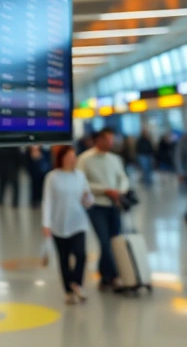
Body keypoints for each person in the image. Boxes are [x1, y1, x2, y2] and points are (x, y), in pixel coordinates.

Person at [78, 128, 129, 290]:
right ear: (98, 140)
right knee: (104, 241)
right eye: (107, 139)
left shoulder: (115, 159)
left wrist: (120, 191)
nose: (111, 143)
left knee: (114, 241)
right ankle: (113, 276)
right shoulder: (85, 159)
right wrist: (105, 190)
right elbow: (81, 183)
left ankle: (105, 275)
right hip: (96, 206)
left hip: (114, 204)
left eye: (112, 139)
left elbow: (123, 177)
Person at [42, 145, 94, 304]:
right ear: (62, 159)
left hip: (78, 222)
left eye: (74, 156)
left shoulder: (80, 176)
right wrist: (46, 223)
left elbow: (89, 200)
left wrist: (88, 198)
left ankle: (77, 283)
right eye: (69, 156)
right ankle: (68, 291)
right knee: (63, 259)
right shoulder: (52, 177)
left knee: (81, 255)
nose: (73, 159)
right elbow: (48, 201)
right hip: (59, 224)